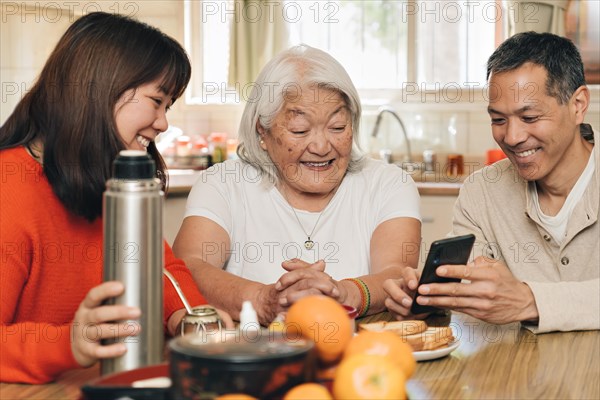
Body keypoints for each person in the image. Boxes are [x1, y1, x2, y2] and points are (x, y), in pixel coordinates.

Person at [0, 12, 231, 384]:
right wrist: (69, 343)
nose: (164, 122)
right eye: (157, 101)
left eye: (168, 106)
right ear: (99, 89)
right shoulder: (8, 189)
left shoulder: (109, 180)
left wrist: (190, 318)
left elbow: (162, 269)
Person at [172, 45, 422, 326]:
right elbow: (187, 267)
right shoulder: (222, 184)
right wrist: (263, 300)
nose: (321, 146)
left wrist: (345, 293)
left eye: (337, 127)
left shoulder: (389, 184)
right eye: (300, 131)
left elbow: (397, 272)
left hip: (361, 358)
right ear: (262, 131)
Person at [384, 32, 599, 333]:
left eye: (530, 117)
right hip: (515, 374)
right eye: (498, 120)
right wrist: (427, 300)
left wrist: (530, 301)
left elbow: (518, 301)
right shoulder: (481, 192)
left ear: (578, 105)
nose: (511, 137)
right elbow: (469, 283)